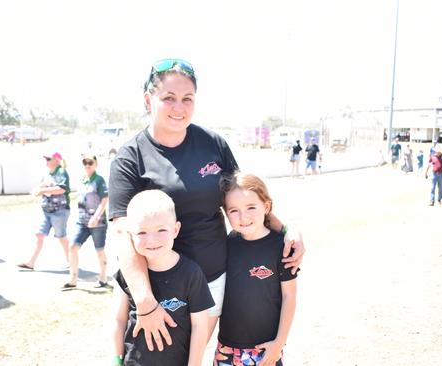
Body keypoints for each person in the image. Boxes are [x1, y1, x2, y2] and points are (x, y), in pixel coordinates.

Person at [108, 58, 305, 352]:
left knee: (193, 357)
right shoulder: (130, 158)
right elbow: (124, 236)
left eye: (187, 98)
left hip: (214, 277)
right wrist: (146, 302)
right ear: (148, 100)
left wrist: (285, 228)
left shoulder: (213, 144)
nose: (179, 107)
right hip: (160, 286)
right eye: (169, 98)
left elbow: (242, 199)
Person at [112, 190, 213, 366]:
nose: (152, 240)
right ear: (130, 234)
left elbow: (200, 326)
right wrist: (116, 360)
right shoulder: (127, 273)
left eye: (161, 230)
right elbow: (119, 320)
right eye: (142, 232)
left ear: (176, 230)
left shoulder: (191, 273)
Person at [216, 172, 298, 366]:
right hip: (226, 347)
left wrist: (279, 343)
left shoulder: (282, 247)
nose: (243, 217)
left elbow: (290, 297)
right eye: (234, 211)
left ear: (266, 206)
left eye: (251, 207)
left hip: (266, 348)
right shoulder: (228, 243)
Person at [63, 153, 110, 290]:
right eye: (85, 163)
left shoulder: (99, 180)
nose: (88, 166)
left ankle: (103, 278)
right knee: (73, 247)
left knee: (99, 250)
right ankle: (73, 279)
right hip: (82, 222)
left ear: (96, 164)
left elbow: (105, 200)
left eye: (90, 163)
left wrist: (95, 217)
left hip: (98, 223)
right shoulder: (83, 180)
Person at [18, 152, 71, 270]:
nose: (46, 160)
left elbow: (62, 189)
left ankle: (71, 261)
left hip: (59, 210)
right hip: (46, 210)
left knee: (61, 237)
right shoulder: (47, 174)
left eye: (48, 158)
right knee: (39, 235)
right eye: (46, 158)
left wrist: (42, 191)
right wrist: (38, 190)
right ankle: (31, 262)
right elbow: (42, 186)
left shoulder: (61, 172)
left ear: (57, 160)